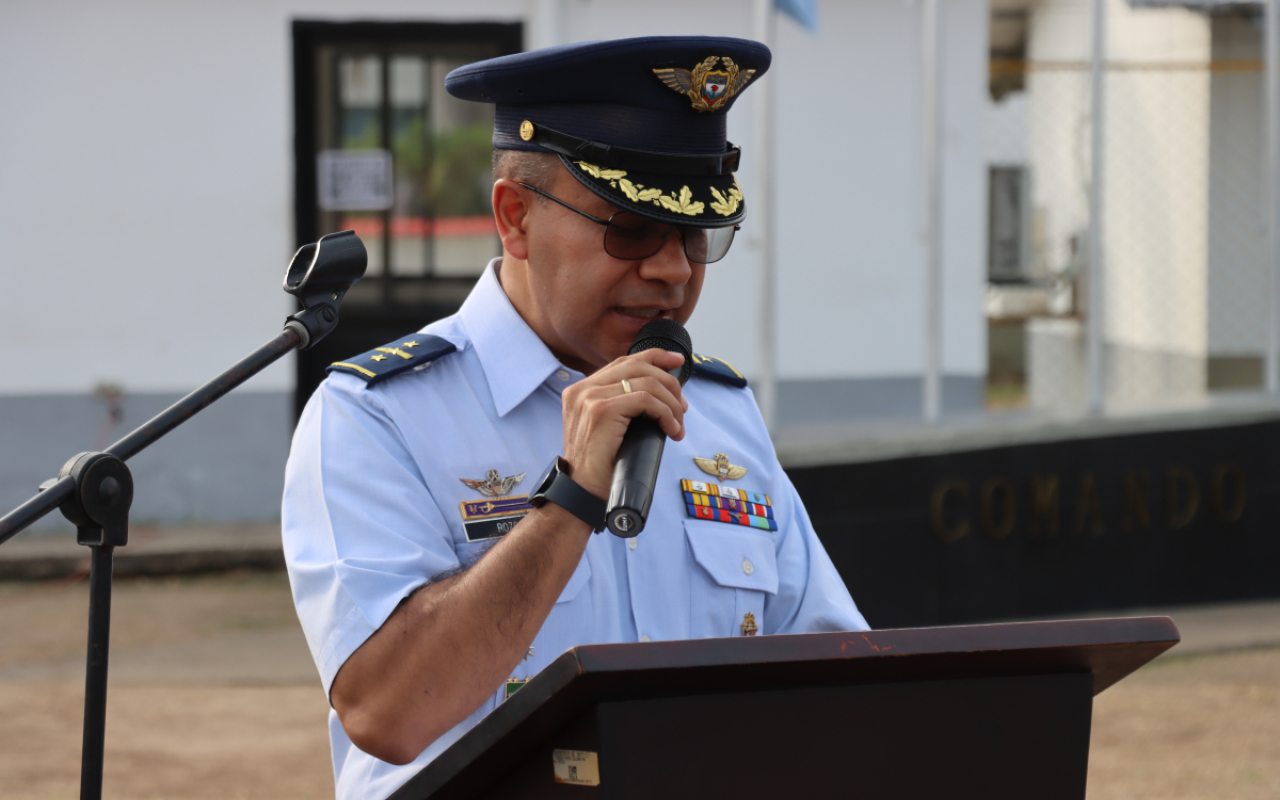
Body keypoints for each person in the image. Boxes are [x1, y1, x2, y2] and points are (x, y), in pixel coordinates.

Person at [282, 35, 868, 800]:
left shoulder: (719, 412)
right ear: (515, 216)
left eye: (695, 232)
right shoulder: (377, 416)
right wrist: (569, 501)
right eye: (629, 228)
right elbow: (390, 710)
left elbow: (838, 686)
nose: (672, 270)